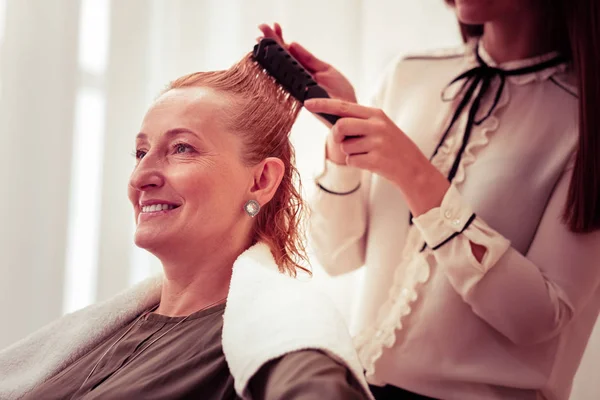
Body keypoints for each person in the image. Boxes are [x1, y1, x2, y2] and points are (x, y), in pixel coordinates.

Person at [259, 0, 600, 399]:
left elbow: (537, 319)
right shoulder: (410, 73)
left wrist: (416, 176)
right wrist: (342, 140)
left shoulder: (584, 118)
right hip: (358, 386)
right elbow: (337, 255)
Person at [0, 51, 374, 400]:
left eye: (182, 148)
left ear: (260, 181)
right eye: (141, 153)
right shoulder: (101, 335)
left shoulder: (282, 333)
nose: (140, 177)